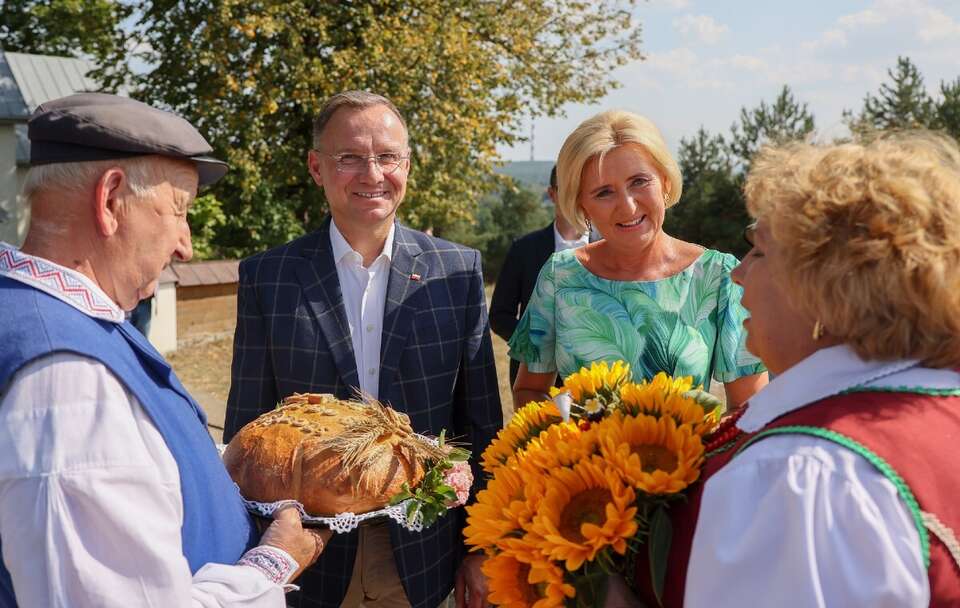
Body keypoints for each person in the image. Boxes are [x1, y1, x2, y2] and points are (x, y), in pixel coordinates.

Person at [0, 93, 329, 607]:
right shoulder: (68, 379)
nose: (186, 245)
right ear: (111, 200)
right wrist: (274, 562)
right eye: (179, 211)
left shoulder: (62, 321)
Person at [612, 132, 960, 606]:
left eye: (758, 252)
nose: (738, 273)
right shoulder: (938, 405)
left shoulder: (800, 472)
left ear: (823, 287)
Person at [223, 91, 503, 608]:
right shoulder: (269, 276)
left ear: (407, 166)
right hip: (309, 554)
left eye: (387, 156)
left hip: (422, 552)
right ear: (316, 167)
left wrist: (484, 546)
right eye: (349, 157)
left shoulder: (457, 271)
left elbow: (481, 422)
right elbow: (249, 428)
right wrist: (256, 551)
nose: (372, 173)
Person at [509, 110, 767, 410]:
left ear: (666, 181)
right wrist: (574, 445)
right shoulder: (560, 275)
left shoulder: (717, 276)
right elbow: (528, 390)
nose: (628, 206)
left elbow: (750, 409)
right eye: (604, 192)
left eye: (639, 181)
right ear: (582, 205)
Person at [490, 165, 588, 389]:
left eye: (581, 189)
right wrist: (539, 348)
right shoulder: (523, 249)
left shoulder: (611, 247)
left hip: (597, 379)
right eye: (567, 189)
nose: (574, 197)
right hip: (534, 381)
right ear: (551, 194)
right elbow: (499, 316)